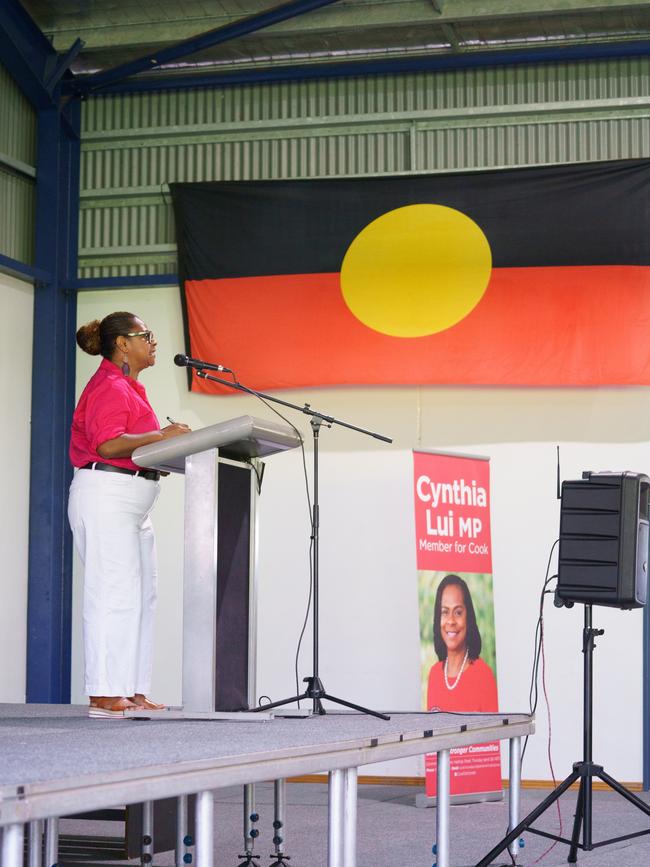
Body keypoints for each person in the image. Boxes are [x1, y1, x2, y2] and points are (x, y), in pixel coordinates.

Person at [68, 311, 191, 718]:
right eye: (146, 335)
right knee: (113, 592)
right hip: (107, 495)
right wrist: (163, 436)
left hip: (135, 501)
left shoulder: (130, 387)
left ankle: (133, 688)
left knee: (143, 596)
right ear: (122, 344)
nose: (153, 343)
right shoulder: (108, 385)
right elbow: (107, 446)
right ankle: (104, 692)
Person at [427, 573, 498, 713]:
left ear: (468, 617)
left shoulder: (483, 676)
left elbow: (495, 734)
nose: (451, 621)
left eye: (458, 612)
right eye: (444, 612)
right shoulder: (434, 674)